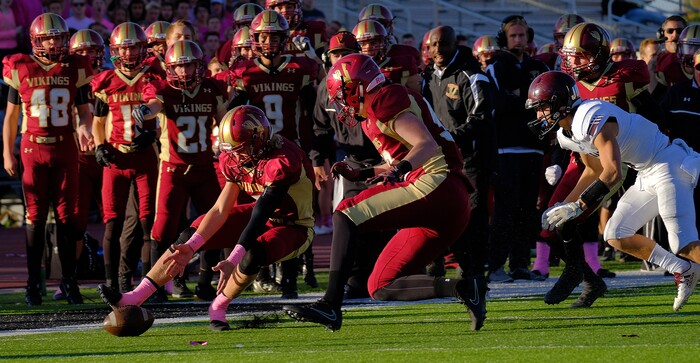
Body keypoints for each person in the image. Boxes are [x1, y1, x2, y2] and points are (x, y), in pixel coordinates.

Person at [283, 53, 486, 331]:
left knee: (345, 213)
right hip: (446, 200)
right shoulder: (375, 112)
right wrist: (364, 173)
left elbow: (424, 145)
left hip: (437, 183)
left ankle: (330, 305)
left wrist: (399, 169)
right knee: (380, 285)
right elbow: (400, 157)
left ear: (358, 87)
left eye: (343, 94)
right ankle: (463, 289)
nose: (342, 103)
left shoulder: (383, 100)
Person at [98, 105, 315, 331]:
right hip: (260, 213)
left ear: (258, 140)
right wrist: (191, 247)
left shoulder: (283, 159)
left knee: (252, 255)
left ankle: (218, 306)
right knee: (188, 235)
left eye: (239, 149)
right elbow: (220, 209)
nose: (234, 156)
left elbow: (262, 213)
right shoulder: (236, 158)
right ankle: (135, 296)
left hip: (295, 226)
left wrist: (232, 259)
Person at [527, 70, 700, 311]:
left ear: (559, 103)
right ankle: (684, 270)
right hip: (646, 171)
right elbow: (592, 171)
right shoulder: (567, 134)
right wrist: (564, 205)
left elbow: (613, 173)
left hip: (668, 162)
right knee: (616, 234)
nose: (538, 114)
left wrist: (578, 206)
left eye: (542, 107)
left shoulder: (589, 115)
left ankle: (686, 263)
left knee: (682, 242)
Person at [2, 13, 94, 305]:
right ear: (36, 40)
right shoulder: (20, 67)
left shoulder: (74, 68)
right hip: (33, 148)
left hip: (65, 146)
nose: (55, 42)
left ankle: (69, 283)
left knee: (68, 217)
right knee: (35, 218)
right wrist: (7, 151)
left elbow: (84, 112)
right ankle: (33, 285)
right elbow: (11, 117)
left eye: (59, 37)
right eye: (49, 37)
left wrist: (84, 128)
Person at [228, 10, 320, 298]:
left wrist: (314, 155)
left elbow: (312, 115)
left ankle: (290, 279)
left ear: (285, 38)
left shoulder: (299, 68)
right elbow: (232, 114)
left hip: (289, 152)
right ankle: (262, 273)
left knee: (293, 216)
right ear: (255, 39)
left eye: (274, 36)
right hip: (257, 154)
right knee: (264, 215)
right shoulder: (245, 72)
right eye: (264, 36)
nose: (269, 42)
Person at [133, 40, 228, 302]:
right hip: (173, 169)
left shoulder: (212, 89)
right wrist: (145, 112)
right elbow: (153, 105)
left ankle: (205, 283)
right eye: (179, 67)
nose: (184, 72)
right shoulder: (163, 90)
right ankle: (155, 286)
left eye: (189, 66)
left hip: (203, 166)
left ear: (199, 66)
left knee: (214, 226)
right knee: (162, 228)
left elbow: (224, 121)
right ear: (170, 69)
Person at [309, 32, 389, 298]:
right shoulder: (325, 88)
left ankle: (384, 275)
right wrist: (318, 159)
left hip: (384, 160)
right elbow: (319, 129)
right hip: (350, 163)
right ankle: (353, 279)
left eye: (347, 53)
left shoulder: (372, 80)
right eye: (336, 54)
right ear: (328, 58)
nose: (342, 59)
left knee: (385, 221)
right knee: (349, 221)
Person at [91, 22, 162, 293]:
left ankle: (144, 284)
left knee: (147, 222)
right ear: (114, 51)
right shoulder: (105, 81)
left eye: (134, 47)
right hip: (116, 158)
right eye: (125, 48)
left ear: (144, 49)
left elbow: (158, 106)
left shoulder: (152, 76)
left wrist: (152, 132)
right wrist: (99, 145)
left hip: (144, 157)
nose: (130, 53)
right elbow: (98, 122)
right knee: (112, 223)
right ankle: (113, 283)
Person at [423, 25, 495, 290]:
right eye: (434, 45)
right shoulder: (427, 76)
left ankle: (473, 272)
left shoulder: (473, 76)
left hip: (471, 158)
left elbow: (482, 118)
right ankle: (435, 263)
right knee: (436, 209)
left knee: (473, 214)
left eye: (444, 44)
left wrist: (449, 139)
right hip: (438, 158)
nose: (439, 50)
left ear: (455, 44)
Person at [484, 15, 549, 282]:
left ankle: (520, 264)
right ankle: (496, 265)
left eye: (522, 35)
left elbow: (546, 104)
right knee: (505, 211)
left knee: (527, 211)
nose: (519, 40)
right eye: (513, 36)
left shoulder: (538, 67)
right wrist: (526, 102)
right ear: (504, 38)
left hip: (534, 148)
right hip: (506, 150)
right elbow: (498, 107)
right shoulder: (496, 67)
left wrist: (518, 98)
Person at [352, 19, 421, 92]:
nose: (368, 47)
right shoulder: (351, 69)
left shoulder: (401, 65)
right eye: (362, 44)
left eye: (374, 43)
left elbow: (421, 95)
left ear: (384, 43)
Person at [652, 15, 688, 98]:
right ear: (661, 34)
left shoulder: (695, 58)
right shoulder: (656, 59)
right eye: (670, 31)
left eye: (680, 31)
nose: (675, 35)